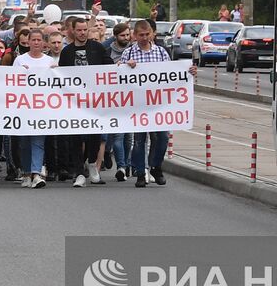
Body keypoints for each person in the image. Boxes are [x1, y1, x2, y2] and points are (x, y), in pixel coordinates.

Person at [119, 18, 195, 188]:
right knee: (139, 140)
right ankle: (140, 172)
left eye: (147, 34)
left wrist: (188, 72)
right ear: (135, 35)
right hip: (137, 106)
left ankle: (155, 166)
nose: (145, 38)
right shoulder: (129, 53)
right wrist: (125, 66)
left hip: (158, 105)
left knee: (162, 137)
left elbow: (172, 74)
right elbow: (116, 75)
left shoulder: (161, 52)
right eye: (141, 35)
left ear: (152, 34)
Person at [59, 16, 112, 187]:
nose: (82, 33)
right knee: (75, 137)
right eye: (79, 30)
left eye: (85, 30)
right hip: (75, 102)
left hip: (94, 102)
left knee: (94, 136)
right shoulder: (67, 52)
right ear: (72, 31)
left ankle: (92, 165)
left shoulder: (97, 48)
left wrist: (126, 67)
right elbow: (61, 76)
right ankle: (79, 172)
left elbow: (110, 67)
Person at [12, 28, 54, 188]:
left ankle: (37, 173)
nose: (36, 43)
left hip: (42, 108)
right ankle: (26, 172)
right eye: (33, 40)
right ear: (28, 42)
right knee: (24, 142)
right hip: (23, 108)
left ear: (44, 43)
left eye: (39, 40)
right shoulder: (20, 60)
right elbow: (12, 82)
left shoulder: (49, 61)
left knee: (38, 141)